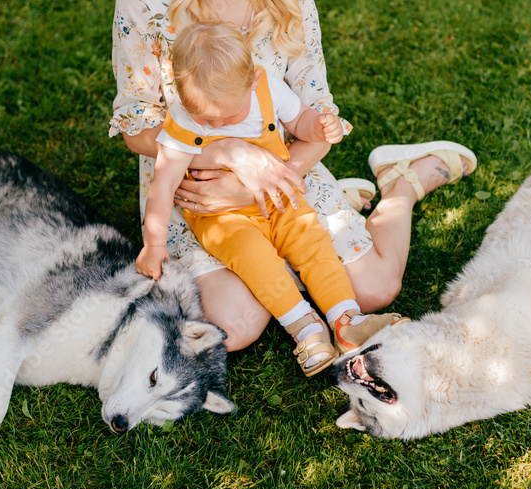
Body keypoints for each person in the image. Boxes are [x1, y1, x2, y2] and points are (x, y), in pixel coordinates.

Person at [109, 0, 476, 351]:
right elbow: (137, 129)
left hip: (284, 170)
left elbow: (318, 118)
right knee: (235, 328)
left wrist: (263, 183)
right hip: (191, 186)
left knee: (375, 289)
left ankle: (400, 187)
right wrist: (226, 155)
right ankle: (308, 243)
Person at [135, 21, 408, 375]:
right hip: (222, 217)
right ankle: (305, 327)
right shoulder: (185, 119)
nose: (215, 126)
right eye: (206, 118)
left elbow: (301, 120)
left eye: (227, 116)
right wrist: (153, 244)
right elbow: (162, 185)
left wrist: (318, 126)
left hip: (276, 196)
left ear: (254, 81)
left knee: (313, 242)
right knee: (256, 259)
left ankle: (346, 319)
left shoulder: (268, 89)